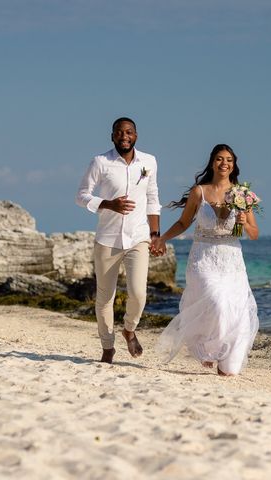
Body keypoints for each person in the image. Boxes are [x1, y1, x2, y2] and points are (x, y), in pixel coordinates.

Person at [151, 144, 259, 376]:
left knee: (235, 309)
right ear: (212, 162)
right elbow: (183, 222)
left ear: (234, 164)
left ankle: (225, 360)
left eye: (229, 159)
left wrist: (244, 222)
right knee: (216, 300)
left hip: (232, 259)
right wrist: (162, 239)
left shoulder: (241, 194)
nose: (224, 163)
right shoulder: (199, 192)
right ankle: (208, 349)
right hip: (204, 257)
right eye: (219, 159)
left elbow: (254, 233)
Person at [76, 117, 162, 364]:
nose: (124, 136)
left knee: (138, 294)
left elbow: (153, 198)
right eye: (119, 132)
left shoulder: (149, 162)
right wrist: (107, 204)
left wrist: (155, 235)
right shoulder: (100, 162)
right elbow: (81, 196)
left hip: (138, 237)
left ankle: (129, 328)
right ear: (112, 136)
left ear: (136, 135)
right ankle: (107, 346)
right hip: (107, 239)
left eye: (129, 132)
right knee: (105, 297)